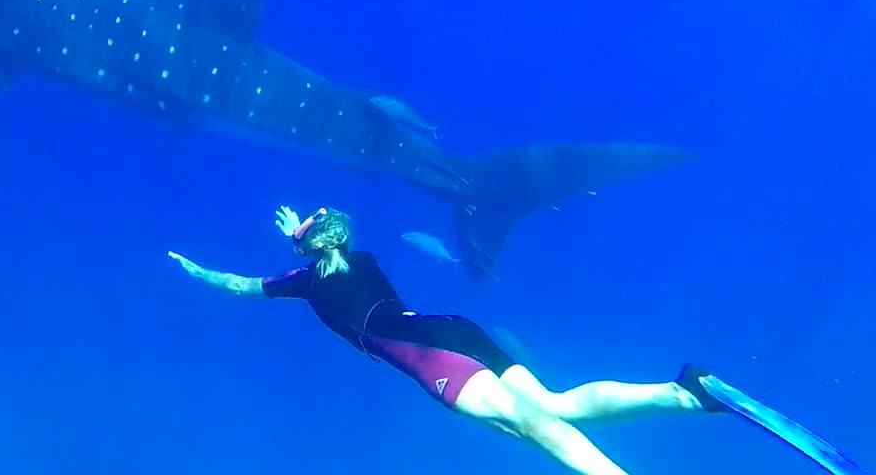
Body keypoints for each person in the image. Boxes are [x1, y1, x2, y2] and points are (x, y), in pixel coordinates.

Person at [167, 205, 727, 475]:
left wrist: (198, 272)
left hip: (431, 357)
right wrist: (302, 234)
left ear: (307, 245)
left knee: (530, 426)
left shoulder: (304, 283)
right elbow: (326, 246)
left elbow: (242, 285)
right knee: (552, 405)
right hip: (455, 330)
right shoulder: (359, 259)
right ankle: (681, 393)